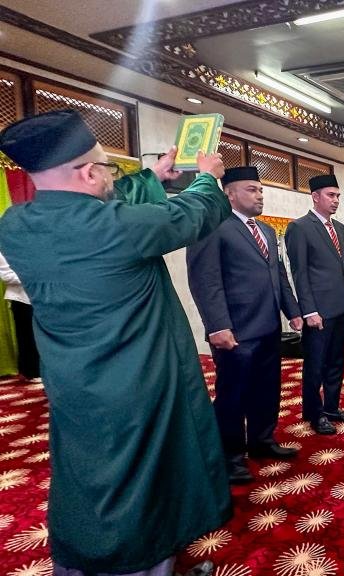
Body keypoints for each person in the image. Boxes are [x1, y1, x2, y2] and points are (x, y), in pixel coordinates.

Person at [0, 109, 231, 576]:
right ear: (88, 173)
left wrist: (152, 176)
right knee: (145, 479)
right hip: (136, 378)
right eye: (108, 168)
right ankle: (142, 565)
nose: (112, 177)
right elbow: (192, 213)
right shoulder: (118, 227)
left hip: (73, 380)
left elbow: (93, 205)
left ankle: (85, 560)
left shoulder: (16, 225)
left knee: (85, 475)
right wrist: (208, 177)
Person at [186, 166, 303, 485]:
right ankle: (231, 456)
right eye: (252, 189)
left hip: (268, 326)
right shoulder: (213, 226)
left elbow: (279, 275)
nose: (260, 195)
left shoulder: (266, 231)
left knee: (267, 388)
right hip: (235, 330)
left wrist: (292, 311)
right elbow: (205, 280)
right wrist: (217, 326)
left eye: (261, 189)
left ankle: (262, 440)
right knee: (233, 394)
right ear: (229, 194)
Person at [285, 174, 344, 436]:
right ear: (315, 197)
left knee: (336, 362)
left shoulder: (339, 228)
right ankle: (314, 414)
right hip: (318, 311)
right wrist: (309, 310)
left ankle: (331, 407)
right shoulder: (300, 227)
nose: (336, 200)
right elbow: (300, 273)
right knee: (315, 365)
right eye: (331, 195)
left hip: (340, 308)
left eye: (338, 195)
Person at [0, 250, 39, 381]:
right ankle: (31, 372)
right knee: (27, 336)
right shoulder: (3, 252)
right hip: (21, 298)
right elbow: (6, 276)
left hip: (39, 296)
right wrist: (32, 278)